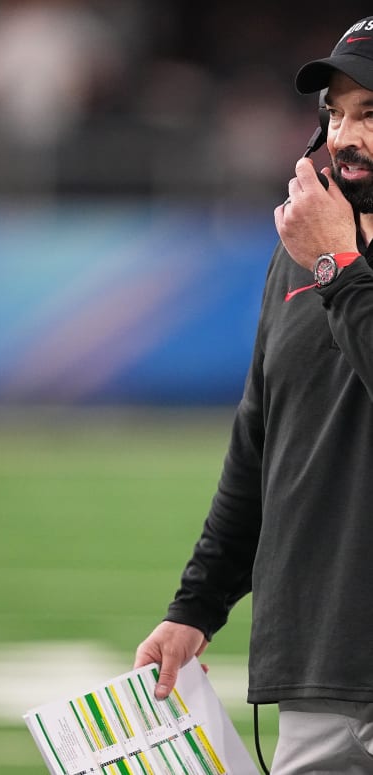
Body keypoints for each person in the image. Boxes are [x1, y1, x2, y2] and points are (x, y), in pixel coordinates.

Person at [134, 16, 373, 775]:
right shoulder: (302, 250)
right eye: (335, 112)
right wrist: (194, 607)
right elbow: (261, 442)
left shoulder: (324, 253)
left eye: (371, 113)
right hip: (318, 654)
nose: (344, 135)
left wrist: (338, 265)